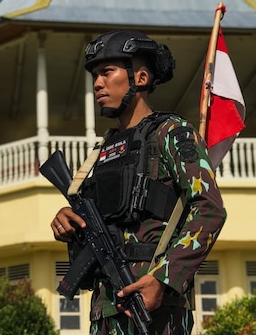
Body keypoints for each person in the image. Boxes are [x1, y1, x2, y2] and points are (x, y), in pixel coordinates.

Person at [50, 29, 227, 335]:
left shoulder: (173, 133)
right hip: (106, 308)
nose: (97, 83)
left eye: (107, 72)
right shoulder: (101, 152)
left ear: (140, 78)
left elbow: (209, 209)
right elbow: (98, 222)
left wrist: (164, 278)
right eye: (95, 75)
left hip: (157, 308)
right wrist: (70, 221)